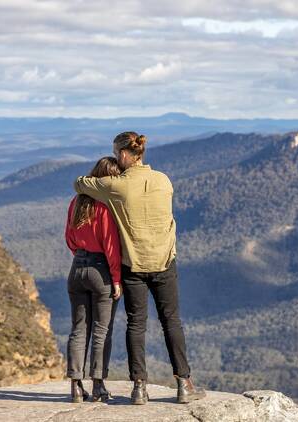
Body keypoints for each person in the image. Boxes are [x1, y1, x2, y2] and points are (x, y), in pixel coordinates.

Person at [73, 131, 206, 405]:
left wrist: (100, 180)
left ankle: (139, 388)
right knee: (171, 321)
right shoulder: (164, 180)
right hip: (164, 262)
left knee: (136, 324)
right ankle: (184, 384)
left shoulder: (116, 186)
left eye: (115, 152)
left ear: (123, 154)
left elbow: (80, 184)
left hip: (133, 265)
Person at [64, 157, 123, 403]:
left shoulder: (76, 202)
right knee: (101, 330)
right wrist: (116, 279)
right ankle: (98, 386)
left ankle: (76, 387)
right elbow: (111, 246)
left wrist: (81, 256)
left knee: (79, 328)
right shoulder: (105, 205)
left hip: (77, 268)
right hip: (101, 271)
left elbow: (69, 237)